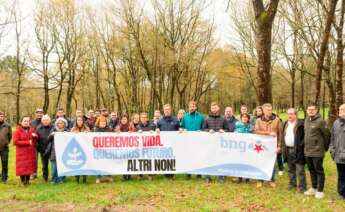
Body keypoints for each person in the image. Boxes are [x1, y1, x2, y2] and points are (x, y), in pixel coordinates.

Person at [303, 104, 331, 199]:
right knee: (311, 170)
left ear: (316, 110)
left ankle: (320, 190)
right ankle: (313, 188)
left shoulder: (321, 121)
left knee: (319, 170)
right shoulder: (306, 120)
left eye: (312, 109)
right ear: (307, 111)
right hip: (308, 151)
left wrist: (324, 148)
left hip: (317, 151)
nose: (310, 111)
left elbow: (327, 136)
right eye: (309, 109)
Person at [254, 103, 282, 188]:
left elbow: (280, 133)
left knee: (272, 163)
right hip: (261, 146)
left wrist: (279, 145)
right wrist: (268, 133)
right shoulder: (258, 120)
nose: (269, 111)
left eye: (270, 110)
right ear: (263, 111)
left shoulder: (277, 120)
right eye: (267, 110)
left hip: (273, 146)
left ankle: (271, 179)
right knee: (260, 163)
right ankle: (260, 180)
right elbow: (256, 131)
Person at [203, 102, 229, 184]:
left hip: (220, 144)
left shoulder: (223, 118)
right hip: (209, 144)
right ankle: (207, 177)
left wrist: (223, 130)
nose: (214, 109)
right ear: (211, 109)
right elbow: (203, 129)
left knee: (220, 159)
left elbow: (228, 130)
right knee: (208, 159)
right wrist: (208, 130)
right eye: (212, 108)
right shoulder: (207, 119)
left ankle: (221, 177)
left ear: (218, 108)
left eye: (215, 107)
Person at [282, 108, 306, 193]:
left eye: (292, 114)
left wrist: (301, 146)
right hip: (287, 149)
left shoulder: (301, 124)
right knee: (290, 168)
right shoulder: (285, 123)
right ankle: (292, 184)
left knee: (300, 169)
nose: (290, 115)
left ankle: (302, 187)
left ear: (296, 115)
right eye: (288, 114)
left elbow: (304, 137)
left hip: (298, 150)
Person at [180, 101, 205, 180]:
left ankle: (198, 174)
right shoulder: (185, 116)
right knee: (188, 157)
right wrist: (183, 129)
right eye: (191, 106)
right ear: (189, 107)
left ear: (196, 107)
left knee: (198, 156)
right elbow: (182, 127)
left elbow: (204, 128)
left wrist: (200, 130)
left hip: (198, 141)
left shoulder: (201, 117)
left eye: (194, 106)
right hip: (188, 141)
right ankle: (188, 174)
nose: (192, 107)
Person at [156, 104, 180, 179]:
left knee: (172, 158)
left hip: (173, 143)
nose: (167, 110)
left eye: (168, 109)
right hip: (164, 144)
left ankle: (172, 174)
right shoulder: (160, 121)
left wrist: (180, 129)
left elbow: (179, 128)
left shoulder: (175, 119)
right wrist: (156, 129)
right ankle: (166, 174)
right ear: (163, 110)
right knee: (165, 158)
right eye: (165, 109)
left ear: (170, 110)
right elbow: (157, 129)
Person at [13, 116, 38, 186]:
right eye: (25, 121)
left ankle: (27, 181)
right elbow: (15, 142)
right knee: (22, 168)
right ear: (21, 122)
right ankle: (22, 181)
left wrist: (35, 136)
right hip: (22, 152)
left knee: (29, 167)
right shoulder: (17, 131)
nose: (26, 122)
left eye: (27, 121)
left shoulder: (32, 129)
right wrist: (27, 142)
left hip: (30, 152)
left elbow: (36, 137)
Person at [330, 104, 345, 199]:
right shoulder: (336, 123)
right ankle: (341, 193)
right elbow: (332, 138)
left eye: (343, 109)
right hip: (338, 155)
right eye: (340, 109)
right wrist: (332, 150)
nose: (341, 111)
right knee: (341, 175)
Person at [47, 117, 68, 184]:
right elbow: (48, 139)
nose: (60, 124)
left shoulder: (67, 131)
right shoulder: (53, 130)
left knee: (63, 166)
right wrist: (51, 135)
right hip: (54, 151)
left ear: (64, 124)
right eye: (59, 123)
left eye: (62, 123)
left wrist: (66, 134)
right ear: (57, 124)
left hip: (64, 151)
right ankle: (54, 180)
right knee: (54, 167)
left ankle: (62, 179)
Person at [115, 114, 135, 181]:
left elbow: (135, 132)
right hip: (121, 147)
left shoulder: (130, 125)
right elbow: (115, 132)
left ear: (127, 120)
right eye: (123, 119)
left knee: (129, 160)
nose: (124, 120)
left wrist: (131, 132)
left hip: (130, 146)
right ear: (121, 120)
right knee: (123, 161)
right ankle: (124, 175)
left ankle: (129, 175)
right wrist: (117, 132)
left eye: (125, 119)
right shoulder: (118, 126)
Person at [94, 115, 113, 183]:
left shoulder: (109, 129)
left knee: (108, 162)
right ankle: (98, 177)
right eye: (101, 122)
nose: (103, 123)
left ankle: (109, 176)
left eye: (104, 122)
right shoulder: (95, 130)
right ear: (98, 123)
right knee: (99, 163)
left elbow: (113, 138)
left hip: (107, 149)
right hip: (99, 150)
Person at [137, 112, 156, 180]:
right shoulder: (138, 126)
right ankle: (140, 175)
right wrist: (137, 132)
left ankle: (150, 174)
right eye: (142, 117)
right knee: (141, 160)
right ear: (140, 119)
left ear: (147, 118)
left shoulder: (152, 125)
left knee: (149, 160)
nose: (143, 119)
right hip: (141, 147)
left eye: (145, 117)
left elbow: (157, 132)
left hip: (149, 146)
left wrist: (153, 131)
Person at [71, 116, 90, 183]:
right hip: (76, 148)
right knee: (77, 163)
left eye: (81, 120)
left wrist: (87, 133)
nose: (79, 121)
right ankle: (77, 178)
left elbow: (90, 138)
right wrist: (73, 134)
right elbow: (69, 138)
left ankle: (84, 178)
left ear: (83, 121)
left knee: (85, 163)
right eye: (78, 120)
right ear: (76, 121)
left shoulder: (86, 128)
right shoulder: (73, 129)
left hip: (85, 149)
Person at [234, 113, 252, 183]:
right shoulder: (237, 125)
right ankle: (239, 177)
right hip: (239, 148)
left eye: (246, 117)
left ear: (248, 119)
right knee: (239, 162)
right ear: (241, 118)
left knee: (247, 162)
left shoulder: (250, 126)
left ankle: (247, 177)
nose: (244, 118)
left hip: (247, 148)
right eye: (243, 117)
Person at [36, 115, 54, 182]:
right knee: (44, 165)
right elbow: (36, 140)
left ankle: (54, 177)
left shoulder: (54, 127)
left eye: (47, 120)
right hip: (43, 150)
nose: (45, 121)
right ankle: (45, 178)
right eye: (44, 120)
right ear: (42, 121)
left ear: (50, 120)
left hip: (52, 150)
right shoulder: (38, 128)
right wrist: (39, 148)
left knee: (54, 165)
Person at [0, 111, 12, 183]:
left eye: (2, 116)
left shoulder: (7, 125)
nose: (0, 117)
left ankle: (4, 178)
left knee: (5, 163)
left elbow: (10, 136)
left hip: (4, 148)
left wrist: (6, 143)